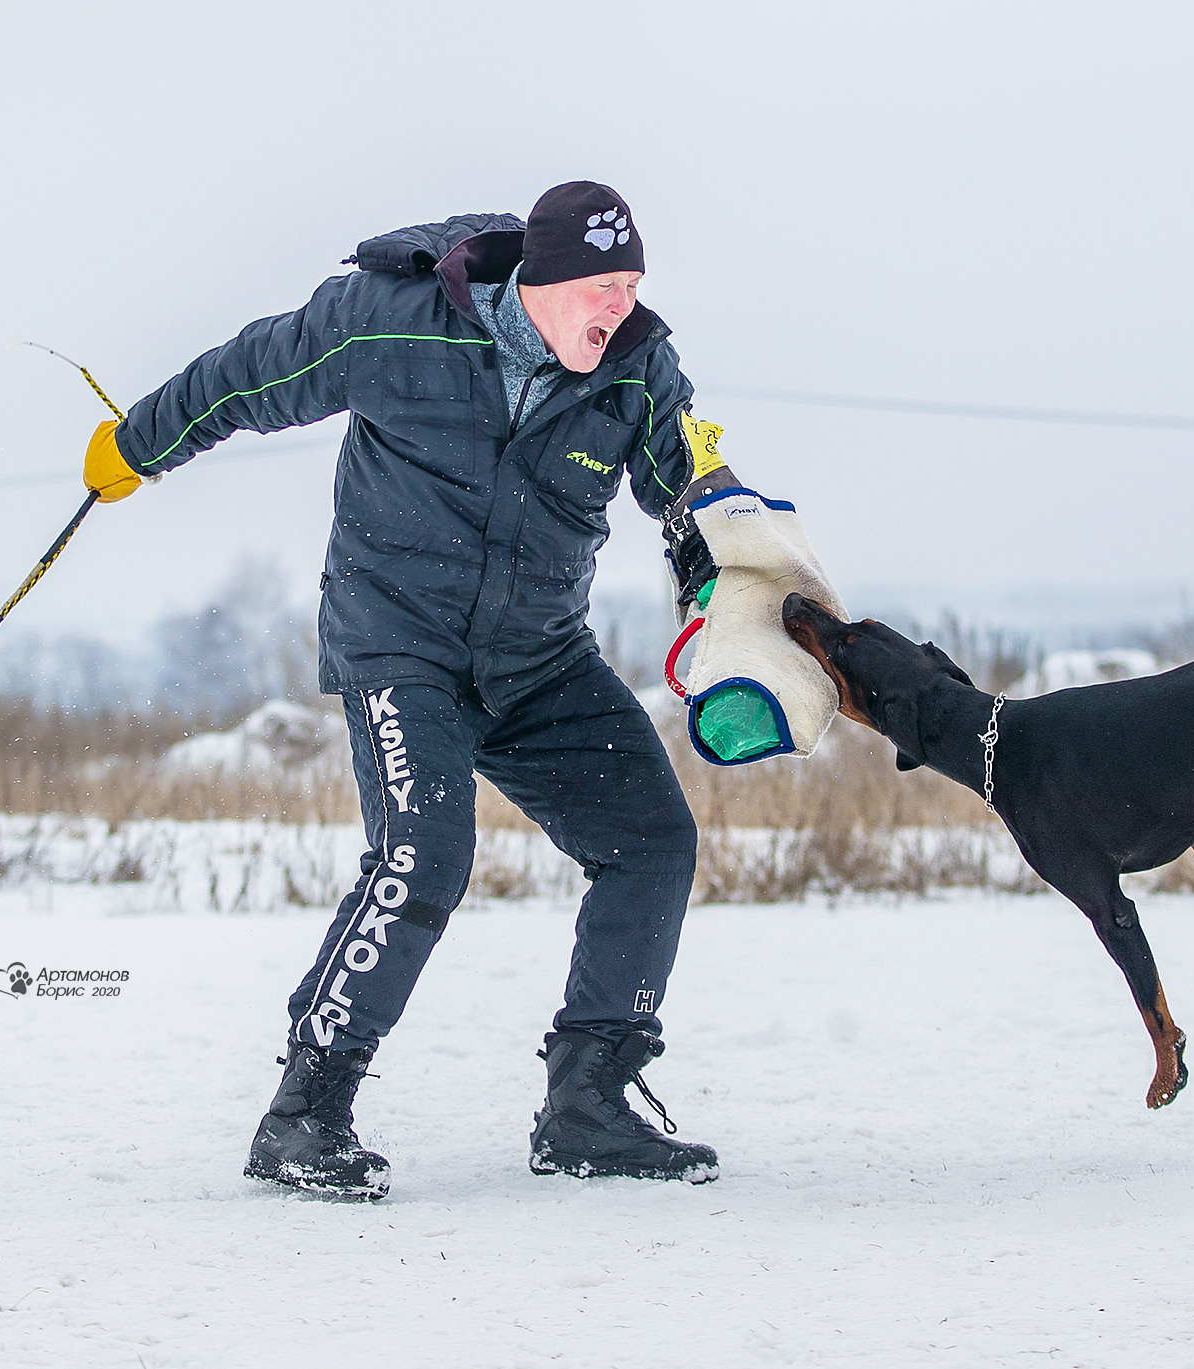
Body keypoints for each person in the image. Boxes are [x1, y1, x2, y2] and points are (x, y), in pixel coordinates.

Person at [83, 182, 721, 1199]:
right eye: (602, 285)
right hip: (399, 643)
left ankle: (589, 1102)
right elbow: (249, 375)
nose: (618, 305)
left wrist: (726, 558)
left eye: (633, 285)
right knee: (423, 849)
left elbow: (687, 481)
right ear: (542, 281)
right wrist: (137, 444)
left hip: (538, 658)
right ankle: (304, 1113)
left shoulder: (637, 368)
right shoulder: (394, 326)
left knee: (651, 840)